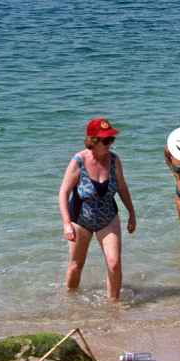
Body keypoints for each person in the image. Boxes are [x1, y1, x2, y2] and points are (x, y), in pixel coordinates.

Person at [57, 117, 136, 301]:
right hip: (80, 220)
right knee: (76, 265)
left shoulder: (114, 161)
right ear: (93, 140)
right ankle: (71, 302)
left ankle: (114, 307)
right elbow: (63, 192)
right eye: (106, 140)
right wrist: (66, 223)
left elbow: (122, 188)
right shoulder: (78, 161)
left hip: (108, 218)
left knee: (114, 263)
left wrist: (132, 213)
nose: (110, 143)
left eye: (111, 139)